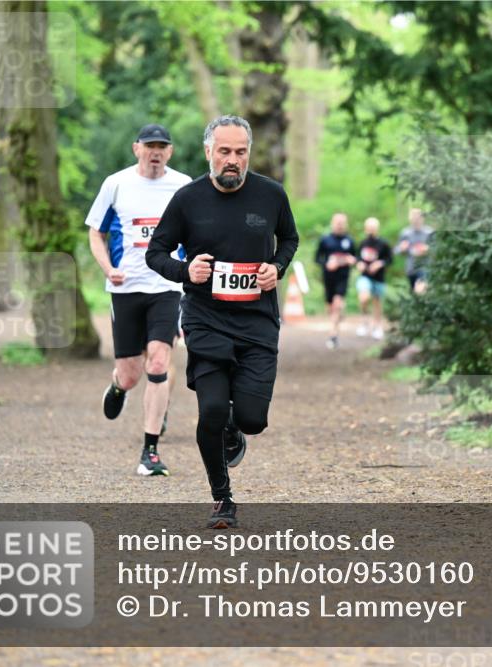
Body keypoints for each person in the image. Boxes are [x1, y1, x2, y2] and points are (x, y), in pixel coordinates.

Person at [146, 115, 299, 529]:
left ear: (249, 153)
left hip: (257, 321)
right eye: (225, 151)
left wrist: (277, 267)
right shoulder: (188, 199)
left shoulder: (271, 195)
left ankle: (237, 425)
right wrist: (185, 270)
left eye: (241, 152)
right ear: (209, 152)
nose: (233, 160)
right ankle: (222, 498)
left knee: (252, 419)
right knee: (211, 410)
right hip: (206, 318)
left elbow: (289, 239)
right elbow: (155, 252)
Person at [86, 123, 191, 477]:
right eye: (150, 146)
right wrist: (107, 268)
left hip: (167, 287)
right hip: (126, 288)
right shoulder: (116, 184)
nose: (156, 152)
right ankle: (119, 386)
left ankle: (150, 451)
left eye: (162, 146)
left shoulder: (183, 186)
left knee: (159, 363)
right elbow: (95, 234)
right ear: (136, 149)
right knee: (131, 375)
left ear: (170, 152)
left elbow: (197, 234)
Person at [315, 213, 356, 349]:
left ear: (346, 224)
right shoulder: (325, 240)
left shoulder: (349, 241)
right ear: (332, 223)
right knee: (331, 308)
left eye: (342, 222)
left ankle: (333, 335)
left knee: (337, 305)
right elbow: (317, 258)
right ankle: (337, 319)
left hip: (343, 278)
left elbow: (356, 258)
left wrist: (352, 260)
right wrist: (327, 263)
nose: (339, 224)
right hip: (328, 278)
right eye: (337, 222)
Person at [354, 217, 392, 340]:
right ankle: (364, 321)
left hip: (379, 277)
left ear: (377, 229)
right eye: (369, 228)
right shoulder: (363, 243)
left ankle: (377, 325)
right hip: (365, 276)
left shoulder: (384, 244)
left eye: (373, 228)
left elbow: (389, 259)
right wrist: (359, 263)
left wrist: (380, 263)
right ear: (365, 229)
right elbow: (357, 257)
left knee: (377, 301)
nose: (371, 231)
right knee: (364, 297)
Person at [395, 207, 434, 294]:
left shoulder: (429, 233)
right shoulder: (405, 233)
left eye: (418, 218)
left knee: (420, 290)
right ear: (410, 219)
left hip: (425, 267)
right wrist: (402, 248)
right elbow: (396, 250)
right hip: (411, 268)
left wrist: (429, 249)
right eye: (413, 218)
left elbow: (438, 249)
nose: (416, 220)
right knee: (416, 294)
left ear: (423, 218)